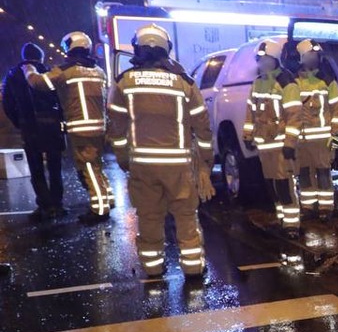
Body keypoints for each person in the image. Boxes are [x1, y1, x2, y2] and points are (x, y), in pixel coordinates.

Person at [106, 24, 214, 279]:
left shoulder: (124, 82)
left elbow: (117, 130)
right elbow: (203, 126)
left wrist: (124, 161)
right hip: (178, 166)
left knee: (150, 216)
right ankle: (193, 267)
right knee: (186, 216)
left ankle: (153, 267)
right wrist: (205, 164)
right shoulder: (184, 83)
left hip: (143, 166)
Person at [27, 32, 114, 223]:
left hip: (80, 128)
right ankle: (107, 197)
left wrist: (30, 70)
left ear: (69, 48)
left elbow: (39, 83)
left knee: (89, 167)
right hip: (100, 127)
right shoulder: (98, 71)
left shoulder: (65, 71)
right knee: (97, 164)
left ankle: (100, 209)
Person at [2, 43, 65, 221]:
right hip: (51, 124)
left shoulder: (13, 74)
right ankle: (57, 203)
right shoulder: (48, 72)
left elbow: (7, 103)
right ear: (40, 57)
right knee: (54, 166)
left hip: (29, 126)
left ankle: (44, 205)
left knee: (36, 168)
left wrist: (19, 121)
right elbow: (60, 98)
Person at [245, 39, 301, 235]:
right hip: (264, 145)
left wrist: (290, 143)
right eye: (259, 60)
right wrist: (247, 134)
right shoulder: (258, 83)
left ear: (275, 59)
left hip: (280, 145)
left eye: (265, 59)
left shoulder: (286, 83)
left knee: (284, 184)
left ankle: (292, 224)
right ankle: (281, 219)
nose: (261, 64)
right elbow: (251, 111)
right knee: (271, 185)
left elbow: (294, 116)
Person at [282, 39, 338, 222]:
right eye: (310, 55)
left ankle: (326, 208)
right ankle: (308, 207)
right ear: (301, 57)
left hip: (323, 140)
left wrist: (335, 142)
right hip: (302, 140)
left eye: (316, 55)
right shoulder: (294, 83)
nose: (314, 58)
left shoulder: (327, 81)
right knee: (305, 175)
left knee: (324, 174)